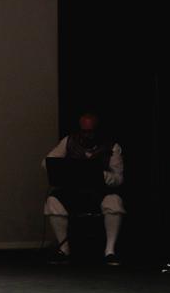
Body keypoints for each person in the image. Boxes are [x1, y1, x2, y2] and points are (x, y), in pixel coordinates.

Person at [42, 111, 126, 265]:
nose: (88, 135)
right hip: (74, 191)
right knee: (53, 201)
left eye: (91, 131)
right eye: (84, 131)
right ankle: (63, 249)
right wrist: (67, 170)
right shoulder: (69, 141)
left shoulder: (112, 147)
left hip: (99, 192)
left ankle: (110, 251)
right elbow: (47, 162)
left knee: (114, 202)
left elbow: (118, 178)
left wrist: (102, 176)